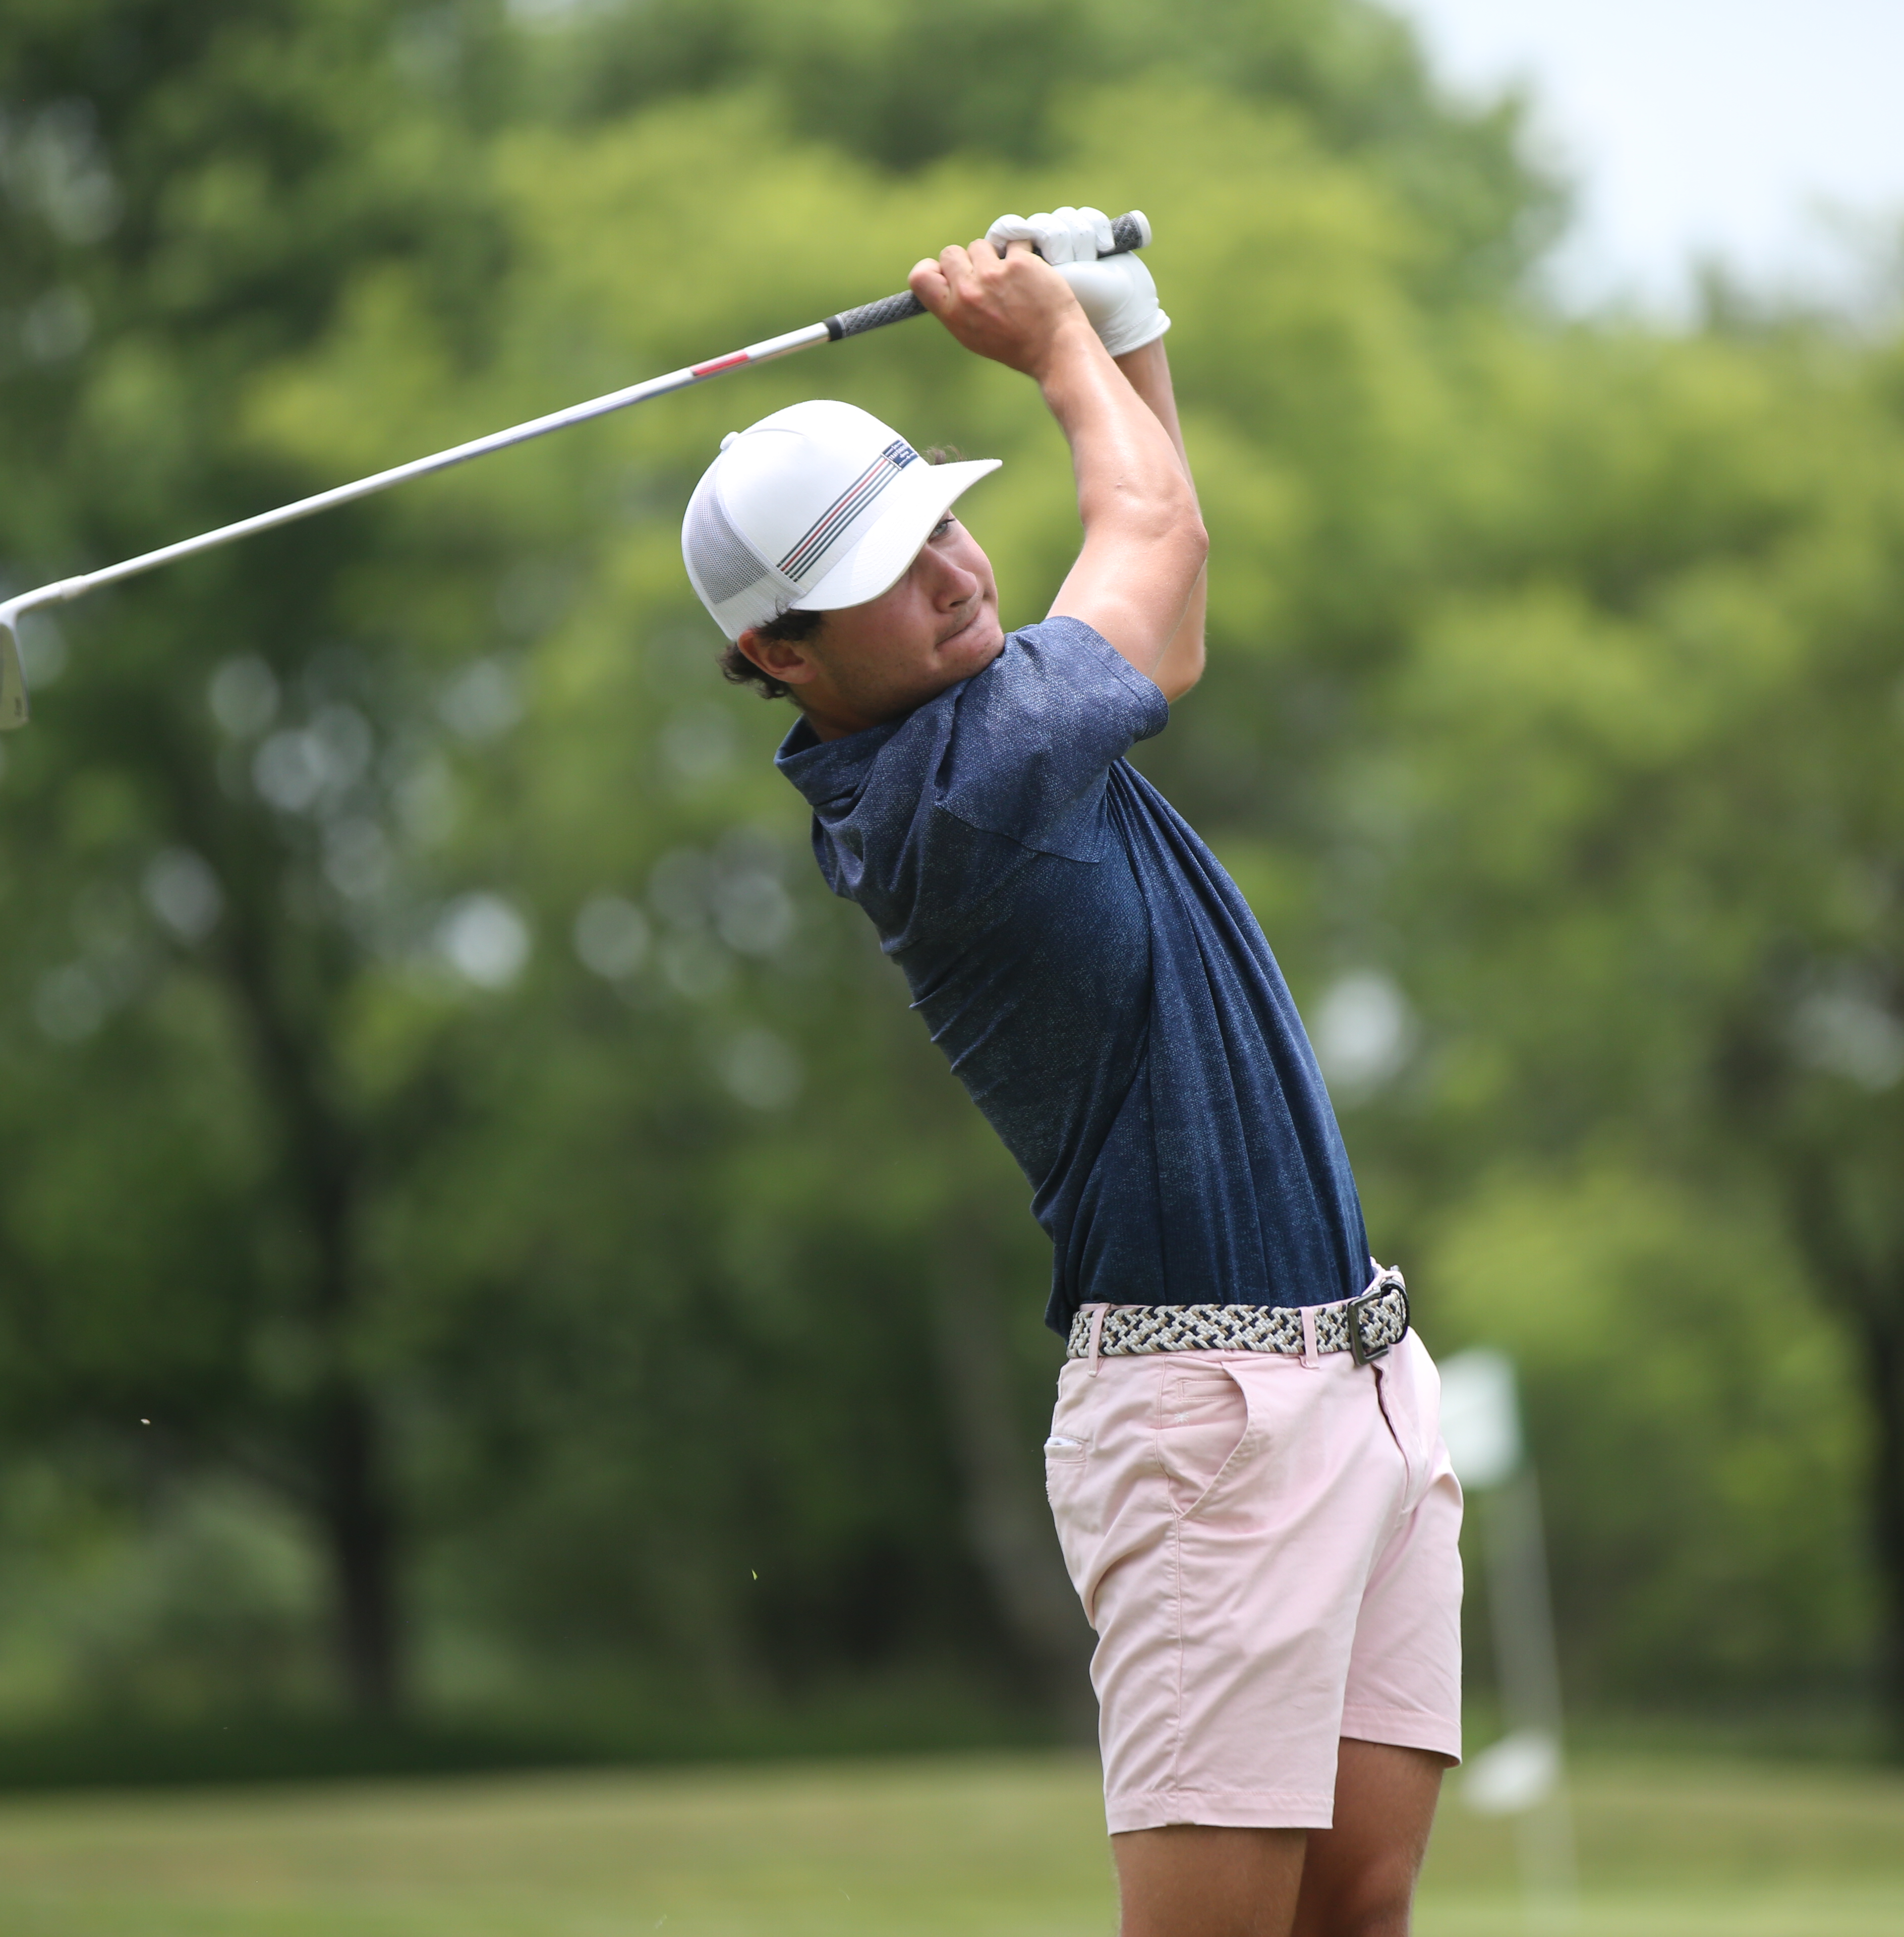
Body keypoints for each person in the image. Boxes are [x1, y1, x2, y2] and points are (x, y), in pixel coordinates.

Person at [679, 208, 1463, 1937]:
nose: (957, 572)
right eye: (888, 572)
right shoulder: (950, 801)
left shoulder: (1006, 714)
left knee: (1362, 1910)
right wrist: (1057, 351)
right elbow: (1149, 537)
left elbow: (1161, 618)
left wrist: (1124, 323)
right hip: (1206, 1425)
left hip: (1362, 1378)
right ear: (785, 657)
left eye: (941, 523)